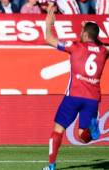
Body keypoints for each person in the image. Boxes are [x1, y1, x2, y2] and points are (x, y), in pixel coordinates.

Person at [42, 6, 108, 170]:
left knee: (58, 130)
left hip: (73, 96)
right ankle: (92, 126)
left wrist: (49, 24)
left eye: (81, 32)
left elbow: (49, 39)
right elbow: (97, 43)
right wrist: (91, 34)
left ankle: (51, 166)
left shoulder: (75, 46)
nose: (79, 34)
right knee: (82, 137)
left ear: (85, 34)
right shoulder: (104, 50)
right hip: (92, 98)